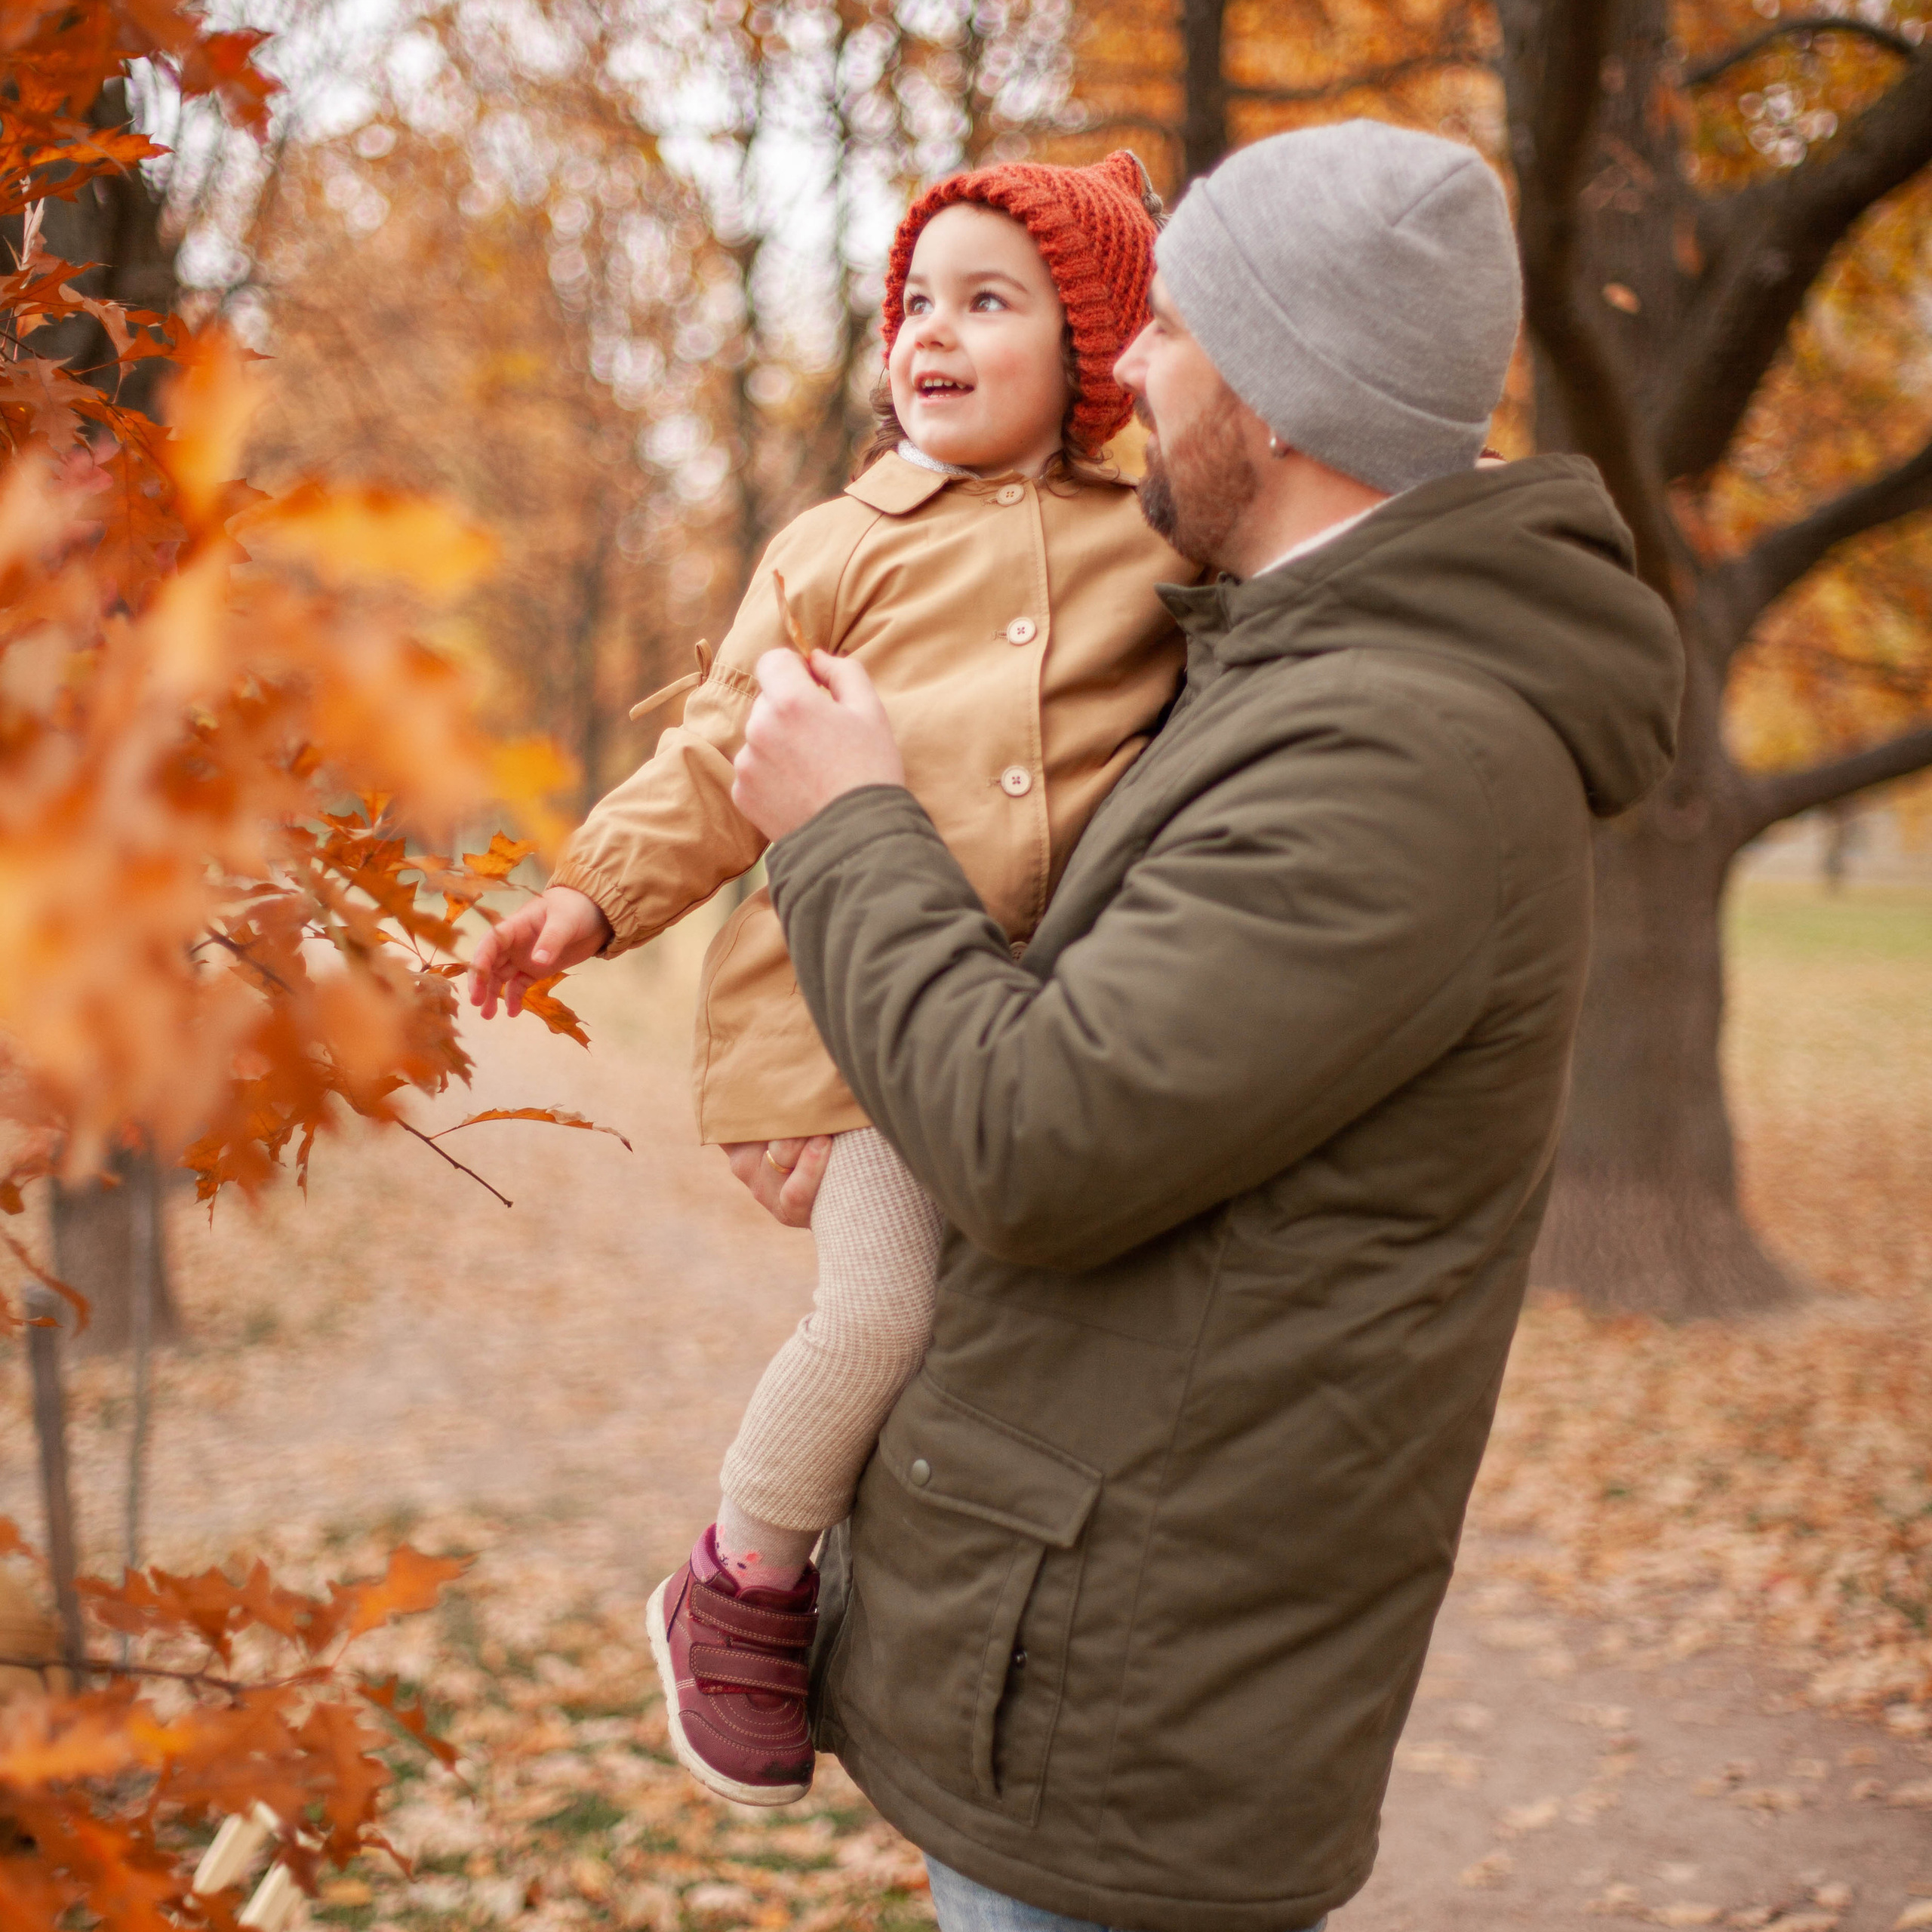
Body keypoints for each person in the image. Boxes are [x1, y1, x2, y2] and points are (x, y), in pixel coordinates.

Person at [722, 122, 1685, 1931]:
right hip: (1076, 1631)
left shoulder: (1395, 753)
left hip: (1127, 1696)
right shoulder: (1297, 672)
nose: (1130, 372)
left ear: (1278, 393)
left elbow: (1036, 1138)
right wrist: (856, 1090)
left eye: (1169, 333)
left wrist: (843, 824)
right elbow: (1087, 1040)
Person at [468, 151, 1195, 1806]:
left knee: (1014, 1327)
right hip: (845, 1021)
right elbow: (721, 751)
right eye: (912, 304)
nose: (930, 332)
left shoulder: (1155, 537)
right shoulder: (835, 545)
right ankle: (742, 1577)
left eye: (986, 301)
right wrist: (588, 896)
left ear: (1094, 349)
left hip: (1032, 1023)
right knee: (879, 1309)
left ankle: (941, 1600)